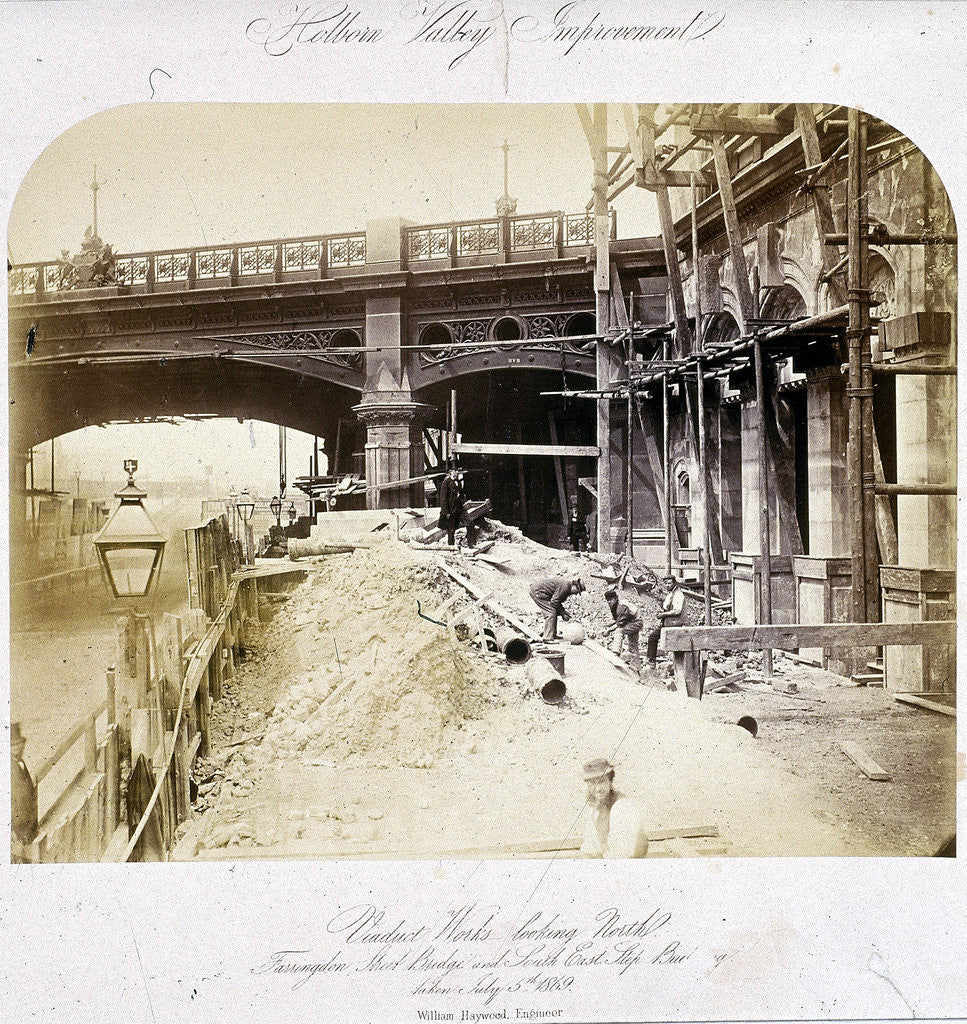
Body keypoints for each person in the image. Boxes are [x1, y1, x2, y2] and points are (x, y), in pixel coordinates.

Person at [579, 758, 649, 859]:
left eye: (602, 781)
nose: (597, 788)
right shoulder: (595, 806)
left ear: (610, 781)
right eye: (593, 783)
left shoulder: (621, 807)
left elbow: (623, 853)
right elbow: (589, 846)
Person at [645, 575, 686, 669]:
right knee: (653, 637)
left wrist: (663, 615)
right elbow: (667, 605)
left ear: (674, 583)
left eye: (669, 583)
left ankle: (653, 662)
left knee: (654, 637)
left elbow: (677, 611)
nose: (667, 585)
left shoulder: (678, 594)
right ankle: (651, 661)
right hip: (669, 622)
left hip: (676, 623)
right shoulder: (671, 594)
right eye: (666, 583)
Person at [10, 723, 37, 863]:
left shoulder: (21, 763)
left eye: (19, 744)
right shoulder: (9, 767)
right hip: (17, 830)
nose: (18, 748)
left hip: (28, 826)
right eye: (13, 745)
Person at [529, 576, 584, 642]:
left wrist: (563, 612)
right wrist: (563, 613)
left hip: (539, 591)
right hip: (537, 591)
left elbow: (556, 601)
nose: (576, 594)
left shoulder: (566, 586)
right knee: (551, 613)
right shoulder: (565, 586)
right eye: (577, 591)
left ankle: (552, 634)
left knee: (553, 611)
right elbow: (554, 602)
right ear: (574, 586)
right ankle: (547, 638)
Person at [602, 589, 644, 673]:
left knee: (619, 631)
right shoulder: (615, 606)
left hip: (636, 622)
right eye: (608, 600)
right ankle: (636, 667)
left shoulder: (621, 606)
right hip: (631, 621)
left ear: (615, 598)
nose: (609, 602)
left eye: (611, 600)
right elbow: (617, 619)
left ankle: (616, 653)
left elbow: (620, 623)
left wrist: (609, 630)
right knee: (633, 645)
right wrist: (607, 626)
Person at [438, 467, 476, 547]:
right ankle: (451, 547)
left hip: (460, 508)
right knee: (451, 529)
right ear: (450, 472)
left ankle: (472, 545)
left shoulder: (458, 482)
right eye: (455, 471)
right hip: (451, 510)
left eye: (457, 471)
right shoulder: (446, 482)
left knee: (470, 522)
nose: (457, 473)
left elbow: (461, 494)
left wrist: (461, 501)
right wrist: (446, 512)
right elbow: (443, 498)